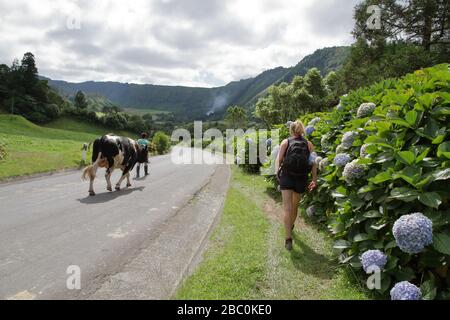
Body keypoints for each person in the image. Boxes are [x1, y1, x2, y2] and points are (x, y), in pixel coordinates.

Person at [275, 121, 318, 251]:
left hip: (287, 177)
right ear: (302, 130)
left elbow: (279, 159)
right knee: (294, 207)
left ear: (291, 130)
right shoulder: (309, 144)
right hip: (301, 178)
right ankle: (291, 225)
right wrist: (314, 179)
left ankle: (288, 239)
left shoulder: (285, 142)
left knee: (287, 208)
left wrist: (277, 172)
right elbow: (314, 162)